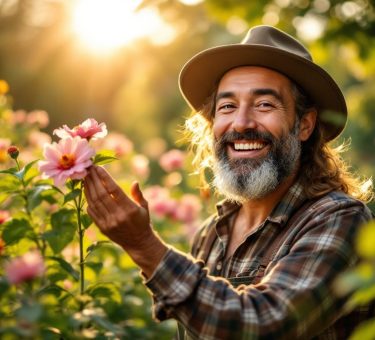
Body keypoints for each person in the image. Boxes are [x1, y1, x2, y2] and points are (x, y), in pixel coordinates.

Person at [84, 25, 374, 339]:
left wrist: (144, 246)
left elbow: (263, 325)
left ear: (304, 124)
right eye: (227, 106)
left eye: (264, 104)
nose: (242, 123)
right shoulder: (210, 234)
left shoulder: (339, 219)